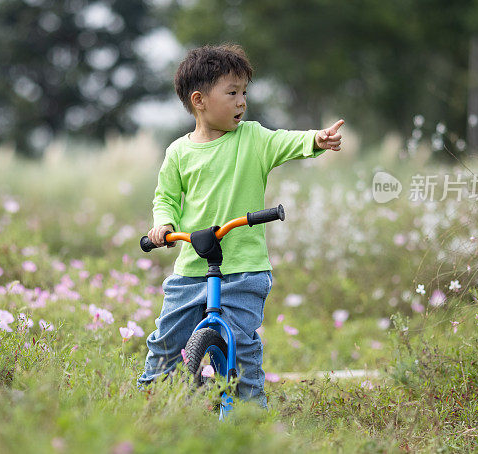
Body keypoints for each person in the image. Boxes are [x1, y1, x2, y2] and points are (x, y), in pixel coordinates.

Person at [136, 44, 343, 408]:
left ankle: (250, 418)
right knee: (166, 343)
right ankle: (148, 405)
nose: (241, 102)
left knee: (241, 347)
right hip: (191, 269)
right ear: (199, 100)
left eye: (244, 92)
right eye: (231, 93)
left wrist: (315, 139)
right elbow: (165, 198)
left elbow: (286, 139)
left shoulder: (252, 138)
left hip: (244, 271)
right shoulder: (178, 152)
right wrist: (163, 224)